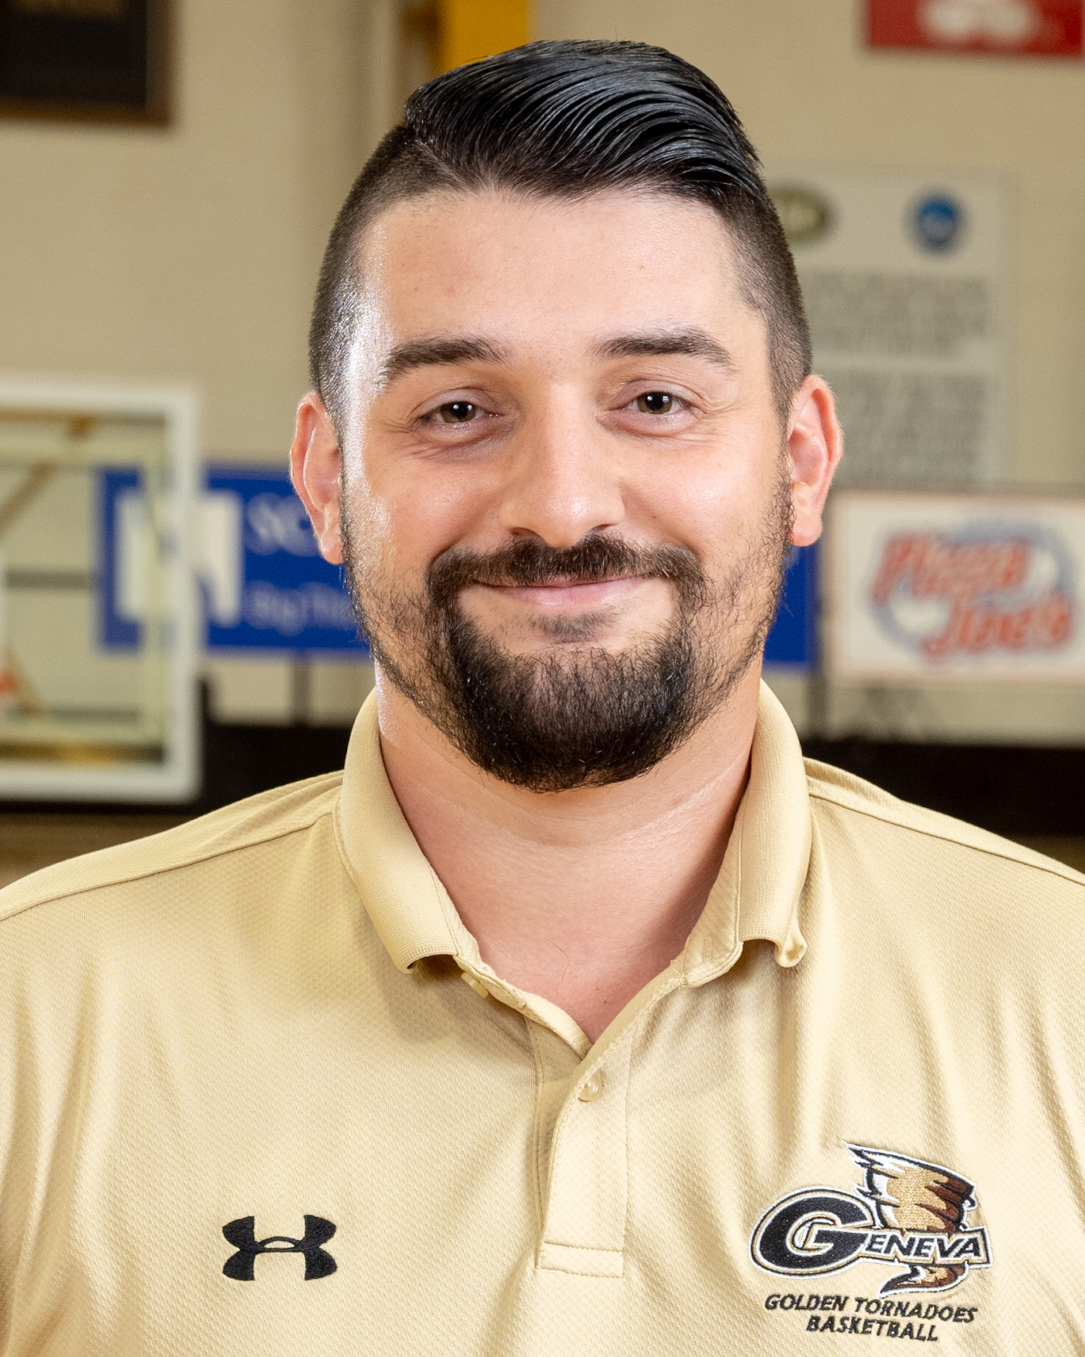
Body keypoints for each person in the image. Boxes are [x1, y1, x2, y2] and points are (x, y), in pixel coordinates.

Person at [0, 39, 1083, 1357]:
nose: (562, 503)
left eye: (656, 400)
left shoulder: (1059, 999)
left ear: (799, 462)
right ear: (326, 474)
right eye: (457, 407)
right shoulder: (36, 1013)